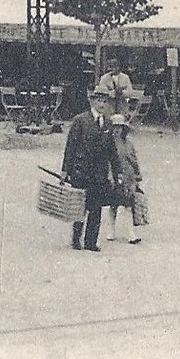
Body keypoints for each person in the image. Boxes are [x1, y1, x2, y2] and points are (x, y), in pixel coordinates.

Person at [61, 86, 122, 252]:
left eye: (104, 101)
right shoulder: (80, 121)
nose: (102, 104)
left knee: (96, 209)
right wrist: (65, 170)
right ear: (92, 101)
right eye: (99, 100)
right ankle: (76, 239)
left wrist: (118, 173)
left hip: (99, 174)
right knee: (80, 207)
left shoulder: (108, 124)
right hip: (81, 171)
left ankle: (90, 242)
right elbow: (70, 147)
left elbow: (112, 152)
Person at [106, 114, 147, 244]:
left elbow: (134, 161)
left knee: (128, 205)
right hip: (113, 176)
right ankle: (111, 230)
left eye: (120, 127)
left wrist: (137, 175)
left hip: (128, 178)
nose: (118, 130)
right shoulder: (108, 142)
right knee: (113, 204)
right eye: (115, 127)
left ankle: (131, 233)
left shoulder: (128, 144)